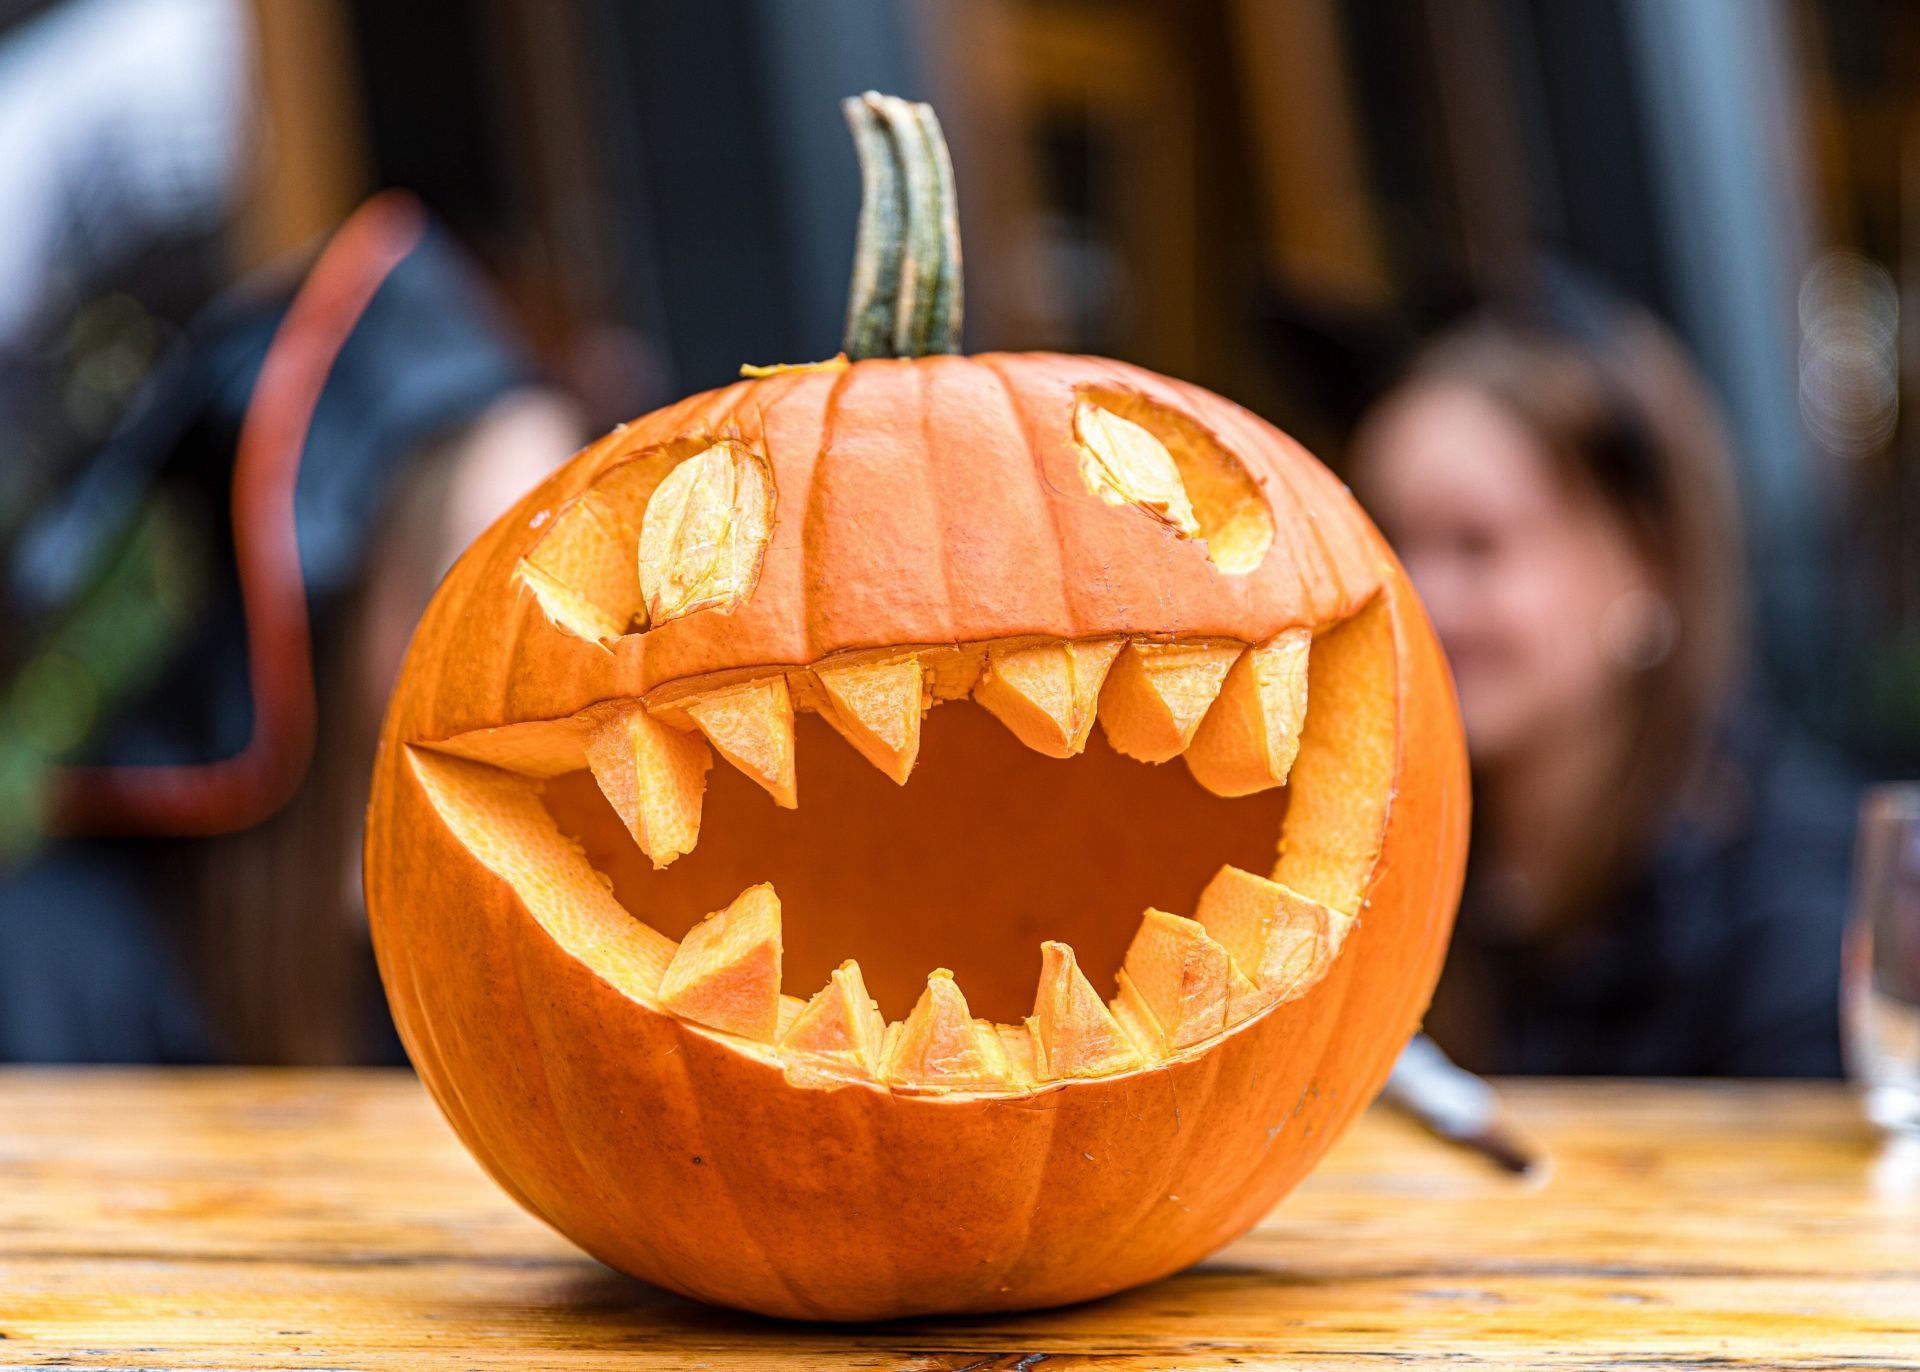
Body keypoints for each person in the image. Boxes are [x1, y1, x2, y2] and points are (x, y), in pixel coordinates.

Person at [1352, 284, 1857, 1077]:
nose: (1417, 600)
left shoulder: (1795, 903)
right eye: (1384, 542)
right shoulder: (1367, 865)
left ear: (1646, 562)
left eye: (1478, 546)